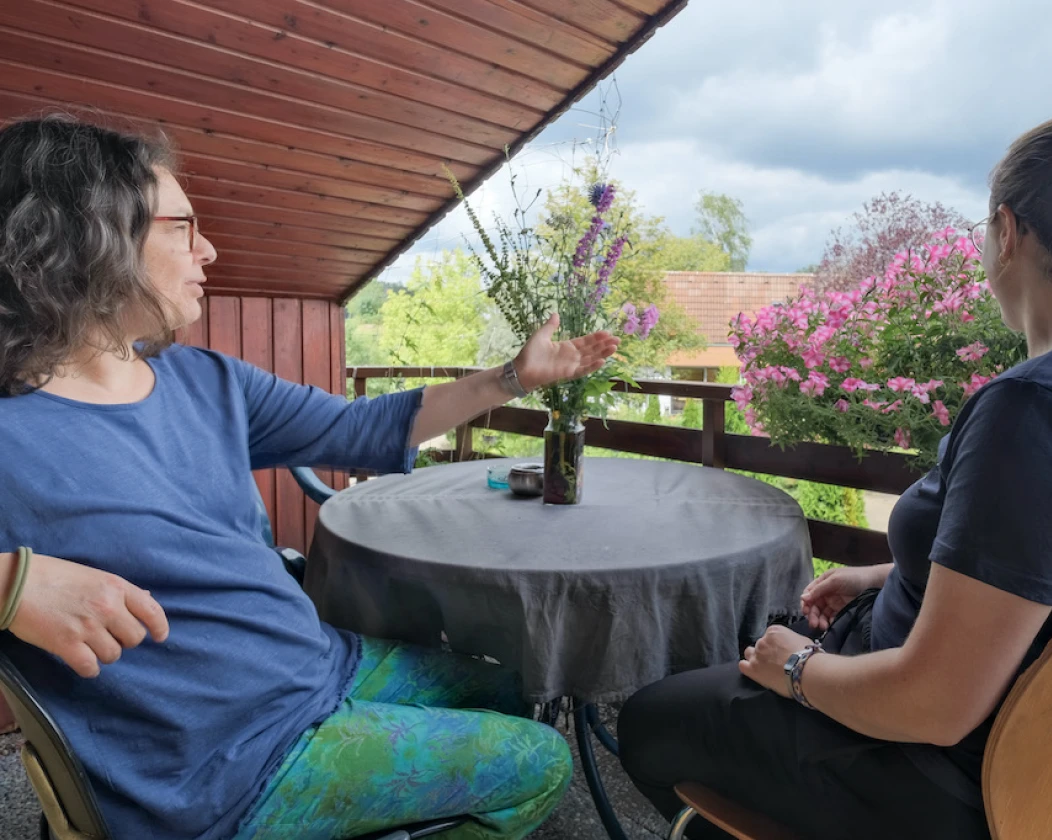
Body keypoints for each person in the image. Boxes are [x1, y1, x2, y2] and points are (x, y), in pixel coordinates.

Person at [0, 115, 619, 840]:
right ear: (90, 237)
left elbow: (361, 429)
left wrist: (513, 378)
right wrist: (10, 582)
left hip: (310, 664)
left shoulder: (204, 380)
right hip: (221, 765)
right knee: (542, 760)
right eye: (183, 227)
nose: (209, 249)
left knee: (512, 689)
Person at [618, 92, 1052, 839]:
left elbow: (936, 705)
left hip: (912, 768)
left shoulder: (1041, 409)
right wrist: (885, 576)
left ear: (1007, 233)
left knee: (648, 722)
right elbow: (1050, 572)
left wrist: (797, 670)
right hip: (1005, 769)